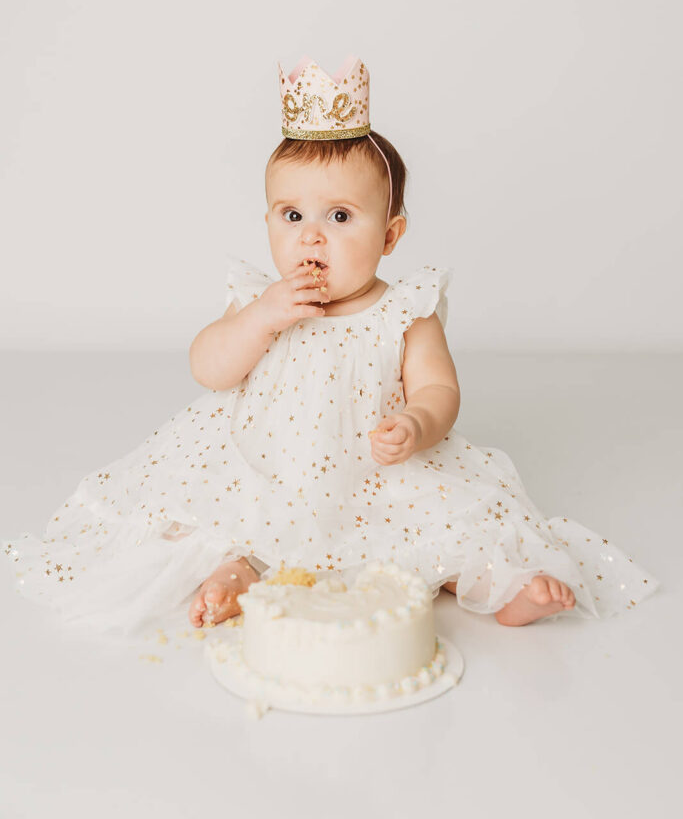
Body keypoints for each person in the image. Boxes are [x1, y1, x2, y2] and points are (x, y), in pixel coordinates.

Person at [2, 54, 659, 637]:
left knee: (440, 529)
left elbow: (438, 388)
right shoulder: (258, 296)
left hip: (376, 474)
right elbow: (210, 367)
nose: (310, 237)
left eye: (339, 217)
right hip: (269, 463)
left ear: (391, 235)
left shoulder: (403, 309)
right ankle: (237, 576)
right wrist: (260, 317)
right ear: (268, 222)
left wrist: (416, 422)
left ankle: (499, 586)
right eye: (292, 216)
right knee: (222, 521)